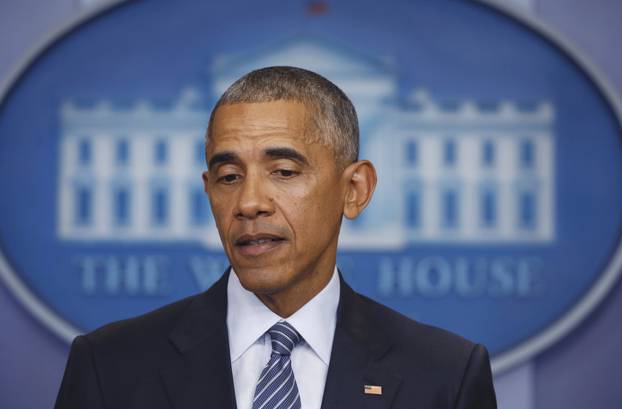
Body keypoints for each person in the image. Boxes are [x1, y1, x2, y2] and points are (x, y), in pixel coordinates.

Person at [55, 66, 497, 409]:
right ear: (208, 190)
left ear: (354, 189)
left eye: (283, 172)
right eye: (229, 177)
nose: (249, 203)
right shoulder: (109, 366)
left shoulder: (445, 374)